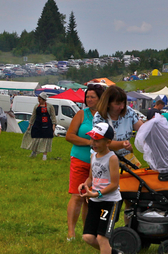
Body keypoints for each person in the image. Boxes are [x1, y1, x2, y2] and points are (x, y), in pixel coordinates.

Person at [65, 84, 104, 241]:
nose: (88, 99)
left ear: (101, 99)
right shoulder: (82, 114)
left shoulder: (105, 115)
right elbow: (70, 136)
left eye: (92, 97)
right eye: (87, 97)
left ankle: (87, 232)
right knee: (77, 196)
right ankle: (71, 233)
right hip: (80, 160)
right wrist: (89, 142)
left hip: (99, 162)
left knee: (91, 198)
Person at [79, 122, 122, 254]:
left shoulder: (112, 158)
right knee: (88, 237)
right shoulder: (93, 156)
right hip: (95, 201)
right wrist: (85, 185)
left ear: (108, 142)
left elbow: (114, 184)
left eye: (97, 140)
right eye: (92, 139)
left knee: (102, 237)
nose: (93, 143)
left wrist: (97, 194)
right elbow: (91, 178)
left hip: (110, 202)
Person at [93, 85, 143, 167]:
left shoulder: (129, 111)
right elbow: (102, 143)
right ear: (108, 103)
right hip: (105, 160)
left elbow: (142, 129)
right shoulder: (99, 117)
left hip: (126, 159)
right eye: (118, 104)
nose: (122, 107)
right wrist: (122, 144)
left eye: (123, 103)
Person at [21, 92, 56, 160]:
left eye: (40, 99)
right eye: (38, 99)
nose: (38, 100)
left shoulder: (50, 106)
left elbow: (53, 116)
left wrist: (53, 125)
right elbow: (33, 116)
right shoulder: (36, 106)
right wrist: (30, 124)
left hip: (47, 125)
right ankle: (33, 153)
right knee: (35, 139)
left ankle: (44, 156)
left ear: (43, 99)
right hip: (37, 125)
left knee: (46, 140)